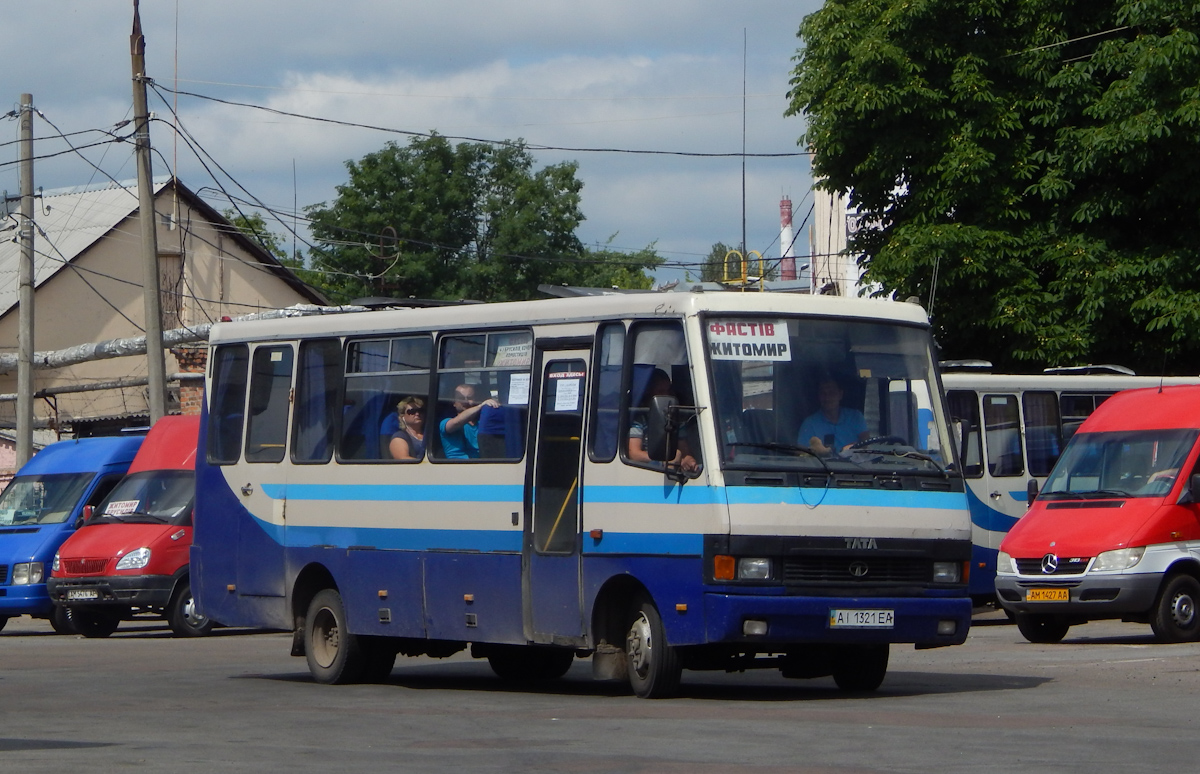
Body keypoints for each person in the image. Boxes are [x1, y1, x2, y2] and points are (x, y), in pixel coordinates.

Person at [627, 368, 700, 474]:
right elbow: (633, 454)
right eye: (660, 391)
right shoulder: (639, 419)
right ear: (648, 393)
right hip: (645, 471)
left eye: (668, 391)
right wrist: (663, 460)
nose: (666, 396)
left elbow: (684, 451)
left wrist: (688, 460)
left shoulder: (675, 417)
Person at [798, 378, 870, 455]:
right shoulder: (809, 423)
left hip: (854, 465)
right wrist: (814, 451)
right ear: (818, 396)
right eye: (823, 393)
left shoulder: (856, 417)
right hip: (822, 465)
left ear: (840, 394)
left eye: (831, 393)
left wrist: (852, 448)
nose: (827, 398)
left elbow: (866, 444)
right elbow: (800, 451)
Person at [439, 384, 500, 459]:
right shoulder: (445, 422)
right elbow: (457, 422)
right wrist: (481, 406)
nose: (465, 401)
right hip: (456, 467)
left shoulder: (484, 424)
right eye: (461, 398)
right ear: (454, 402)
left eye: (469, 398)